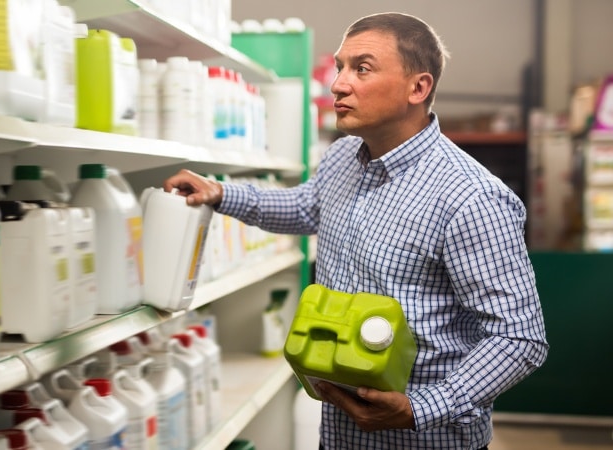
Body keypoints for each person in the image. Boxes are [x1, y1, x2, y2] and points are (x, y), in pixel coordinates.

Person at [164, 11, 548, 450]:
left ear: (418, 88)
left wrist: (419, 408)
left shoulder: (470, 197)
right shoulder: (343, 156)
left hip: (426, 442)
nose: (338, 83)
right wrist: (219, 193)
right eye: (341, 66)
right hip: (340, 436)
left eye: (361, 68)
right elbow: (305, 206)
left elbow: (519, 338)